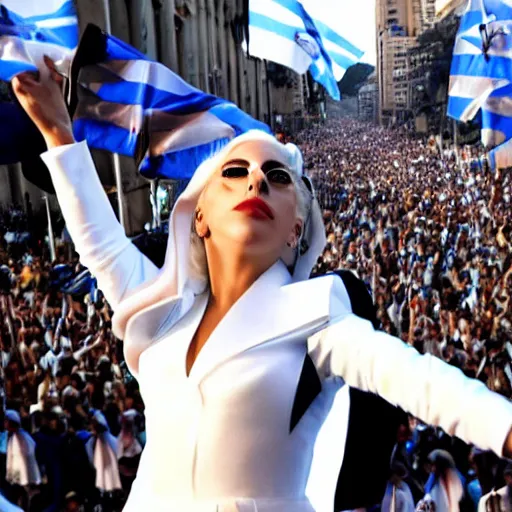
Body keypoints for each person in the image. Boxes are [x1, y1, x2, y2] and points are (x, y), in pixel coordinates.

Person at [10, 60, 512, 512]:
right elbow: (101, 245)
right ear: (198, 215)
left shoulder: (319, 320)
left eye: (276, 176)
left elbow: (424, 382)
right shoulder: (161, 308)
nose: (257, 182)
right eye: (235, 171)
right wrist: (58, 132)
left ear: (297, 227)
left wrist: (503, 427)